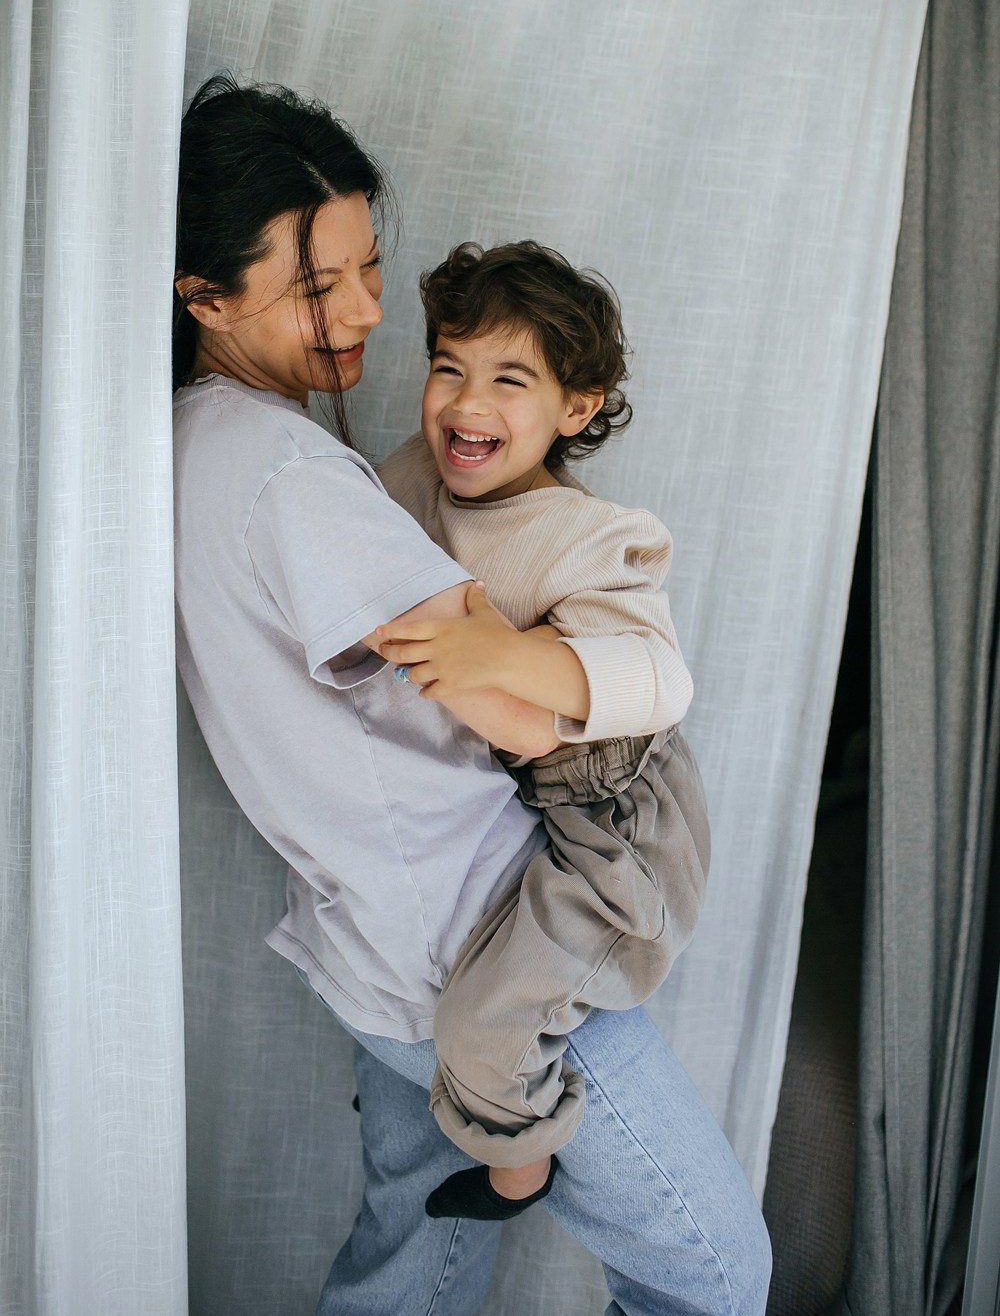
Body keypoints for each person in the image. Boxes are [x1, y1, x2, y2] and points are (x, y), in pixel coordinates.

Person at [172, 73, 771, 1316]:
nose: (362, 314)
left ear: (576, 409)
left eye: (366, 268)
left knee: (415, 1261)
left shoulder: (193, 445)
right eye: (315, 285)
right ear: (206, 298)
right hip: (484, 931)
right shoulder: (295, 476)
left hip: (378, 947)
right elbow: (524, 718)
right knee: (717, 1272)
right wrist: (529, 672)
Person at [374, 240, 709, 1224]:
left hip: (619, 826)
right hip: (524, 791)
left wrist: (501, 659)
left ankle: (516, 1171)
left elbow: (660, 678)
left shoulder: (589, 534)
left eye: (508, 380)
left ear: (577, 407)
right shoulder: (409, 476)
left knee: (485, 1021)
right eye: (448, 367)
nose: (465, 404)